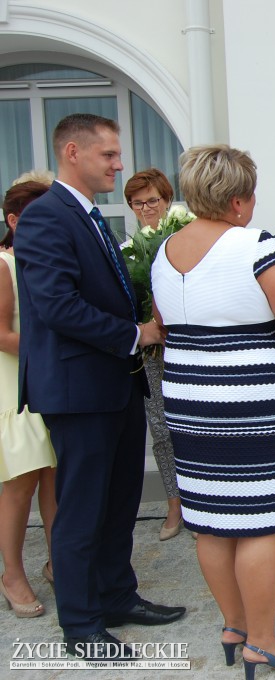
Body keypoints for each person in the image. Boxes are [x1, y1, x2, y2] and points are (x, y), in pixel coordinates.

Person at [15, 113, 184, 660]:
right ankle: (81, 622)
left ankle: (116, 596)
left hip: (115, 384)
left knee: (118, 504)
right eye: (108, 155)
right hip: (78, 391)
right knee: (81, 510)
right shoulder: (45, 217)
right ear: (72, 152)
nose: (119, 164)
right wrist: (135, 333)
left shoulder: (89, 215)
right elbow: (58, 306)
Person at [151, 144, 275, 675]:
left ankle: (234, 624)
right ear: (241, 200)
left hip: (188, 401)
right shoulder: (256, 246)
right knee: (262, 523)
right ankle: (263, 641)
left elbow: (164, 324)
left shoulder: (164, 251)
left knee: (211, 521)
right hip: (252, 404)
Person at [0, 180, 57, 618]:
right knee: (20, 483)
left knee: (55, 478)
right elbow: (1, 334)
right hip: (14, 385)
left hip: (49, 382)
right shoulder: (3, 264)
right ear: (14, 221)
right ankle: (13, 574)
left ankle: (60, 562)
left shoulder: (45, 259)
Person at [123, 168, 183, 540]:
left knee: (194, 426)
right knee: (160, 428)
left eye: (152, 200)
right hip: (150, 350)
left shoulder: (182, 238)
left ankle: (200, 501)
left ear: (167, 199)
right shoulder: (129, 251)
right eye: (138, 202)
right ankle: (174, 504)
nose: (146, 208)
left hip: (186, 347)